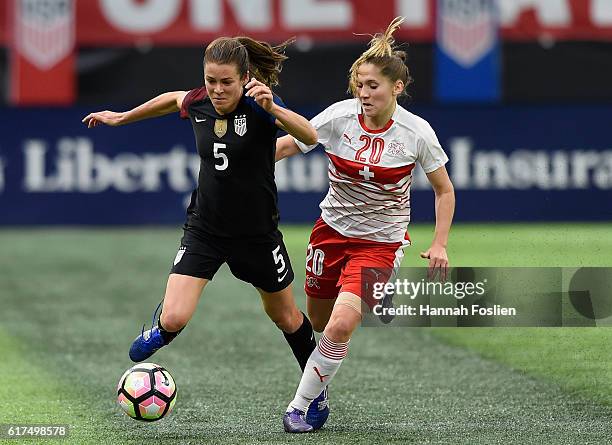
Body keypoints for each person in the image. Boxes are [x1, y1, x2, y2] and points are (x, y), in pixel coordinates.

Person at [82, 36, 330, 427]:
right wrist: (122, 116)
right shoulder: (198, 101)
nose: (216, 90)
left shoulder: (262, 107)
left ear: (245, 79)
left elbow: (310, 137)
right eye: (210, 80)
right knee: (176, 318)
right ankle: (160, 328)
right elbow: (171, 98)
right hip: (205, 229)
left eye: (226, 82)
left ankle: (315, 392)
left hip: (257, 236)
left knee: (286, 318)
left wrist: (275, 110)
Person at [275, 17, 455, 432]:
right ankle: (321, 381)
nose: (364, 93)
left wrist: (440, 243)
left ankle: (300, 408)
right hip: (331, 232)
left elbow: (444, 191)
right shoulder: (340, 117)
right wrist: (244, 164)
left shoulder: (417, 133)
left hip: (381, 244)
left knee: (340, 324)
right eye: (359, 85)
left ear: (397, 88)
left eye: (373, 85)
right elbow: (290, 144)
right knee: (319, 324)